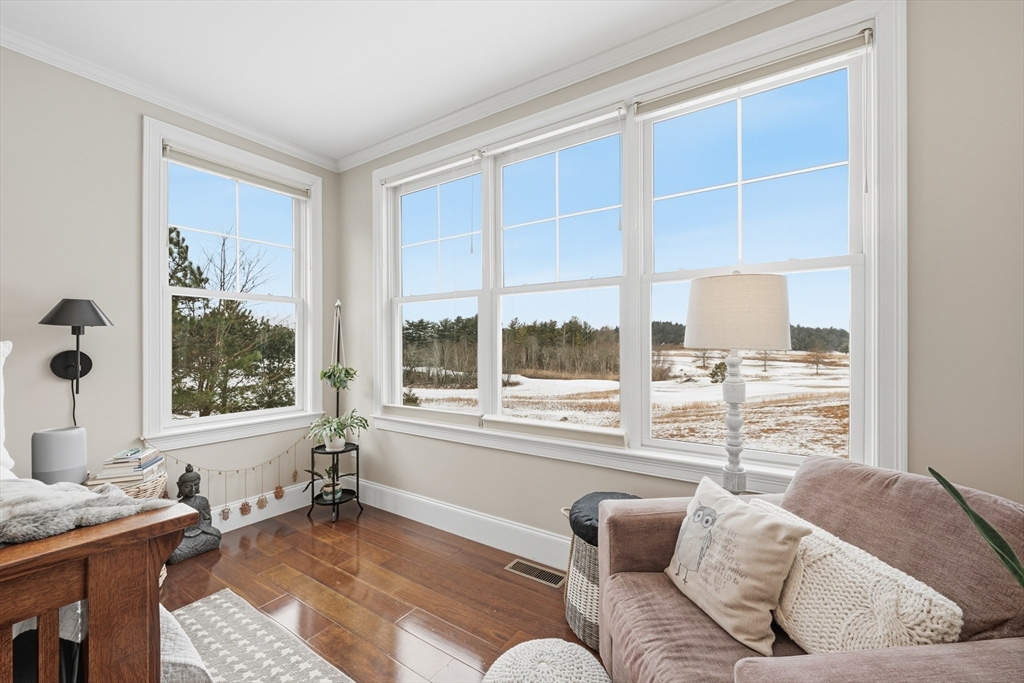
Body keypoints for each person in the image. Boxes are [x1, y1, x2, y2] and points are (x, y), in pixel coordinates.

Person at [167, 464, 221, 564]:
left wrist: (200, 527)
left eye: (196, 485)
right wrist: (185, 531)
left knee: (215, 537)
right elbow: (176, 528)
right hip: (184, 537)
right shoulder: (177, 506)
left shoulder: (202, 501)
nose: (192, 489)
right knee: (173, 554)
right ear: (180, 487)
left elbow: (207, 520)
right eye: (187, 486)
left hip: (201, 532)